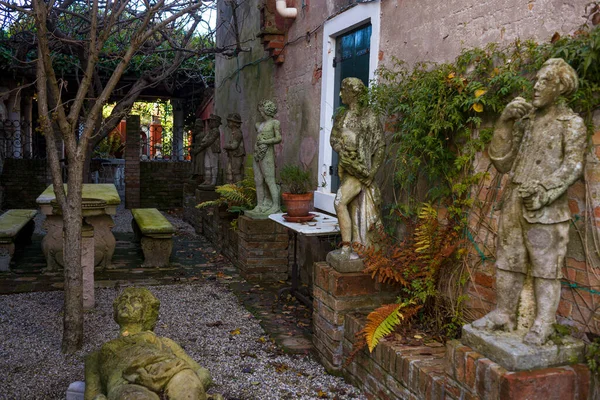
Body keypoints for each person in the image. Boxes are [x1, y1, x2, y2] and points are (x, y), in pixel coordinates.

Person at [472, 58, 586, 345]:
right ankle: (504, 314)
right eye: (536, 80)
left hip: (545, 206)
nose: (536, 86)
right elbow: (502, 162)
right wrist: (504, 122)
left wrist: (545, 190)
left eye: (544, 81)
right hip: (514, 199)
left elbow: (573, 166)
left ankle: (544, 323)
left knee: (546, 268)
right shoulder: (527, 120)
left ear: (560, 87)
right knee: (508, 261)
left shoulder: (571, 123)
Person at [84, 287, 222, 400]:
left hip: (169, 368)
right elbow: (92, 394)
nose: (126, 303)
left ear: (147, 311)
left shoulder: (164, 342)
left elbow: (201, 371)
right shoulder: (97, 355)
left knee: (188, 391)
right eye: (123, 300)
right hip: (127, 380)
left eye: (135, 300)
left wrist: (197, 386)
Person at [330, 77, 385, 258]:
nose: (340, 94)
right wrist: (340, 147)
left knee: (339, 202)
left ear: (352, 93)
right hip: (346, 169)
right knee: (354, 209)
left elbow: (380, 146)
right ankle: (355, 246)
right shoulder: (342, 116)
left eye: (343, 90)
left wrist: (372, 173)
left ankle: (347, 247)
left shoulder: (369, 116)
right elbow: (334, 139)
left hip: (359, 171)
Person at [247, 100, 282, 216]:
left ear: (266, 110)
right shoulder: (259, 124)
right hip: (257, 153)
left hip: (267, 153)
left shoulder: (275, 123)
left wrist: (266, 141)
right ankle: (260, 205)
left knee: (270, 179)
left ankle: (276, 206)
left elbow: (278, 138)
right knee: (258, 180)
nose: (260, 113)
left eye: (262, 110)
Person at [223, 113, 246, 183]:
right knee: (230, 171)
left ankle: (239, 189)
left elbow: (234, 145)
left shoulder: (237, 133)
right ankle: (232, 189)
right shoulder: (234, 132)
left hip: (237, 154)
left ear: (234, 123)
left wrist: (226, 146)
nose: (228, 123)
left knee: (236, 172)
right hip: (233, 155)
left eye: (229, 121)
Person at [200, 114, 222, 186]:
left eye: (211, 122)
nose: (210, 123)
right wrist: (204, 143)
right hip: (208, 148)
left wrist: (203, 144)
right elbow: (205, 139)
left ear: (215, 123)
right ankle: (208, 180)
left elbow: (210, 140)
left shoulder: (215, 131)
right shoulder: (211, 131)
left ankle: (213, 180)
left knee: (213, 165)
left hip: (213, 149)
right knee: (207, 164)